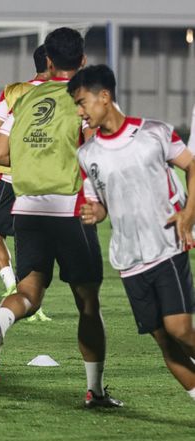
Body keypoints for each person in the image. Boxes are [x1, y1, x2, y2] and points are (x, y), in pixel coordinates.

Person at [0, 27, 123, 408]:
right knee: (87, 302)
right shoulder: (83, 99)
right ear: (83, 61)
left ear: (47, 60)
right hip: (69, 209)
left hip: (26, 208)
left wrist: (34, 157)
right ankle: (94, 390)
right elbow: (102, 148)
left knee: (30, 291)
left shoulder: (23, 97)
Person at [69, 64, 195, 403]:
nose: (80, 112)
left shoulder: (154, 133)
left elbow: (192, 166)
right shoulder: (88, 154)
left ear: (105, 97)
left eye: (82, 103)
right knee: (166, 343)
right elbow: (100, 203)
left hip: (166, 246)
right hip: (129, 261)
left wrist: (188, 213)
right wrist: (96, 212)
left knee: (181, 329)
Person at [0, 45, 51, 322]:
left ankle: (12, 286)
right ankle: (32, 298)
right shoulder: (66, 92)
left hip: (10, 177)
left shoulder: (13, 91)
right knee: (31, 241)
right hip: (46, 183)